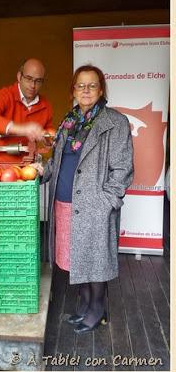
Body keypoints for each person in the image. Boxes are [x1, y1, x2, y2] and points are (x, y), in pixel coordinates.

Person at [35, 64, 134, 334]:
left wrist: (107, 201)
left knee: (95, 261)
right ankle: (84, 307)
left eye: (92, 85)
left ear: (101, 90)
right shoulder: (68, 123)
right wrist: (44, 171)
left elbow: (123, 169)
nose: (86, 90)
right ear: (73, 91)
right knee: (77, 259)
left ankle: (96, 311)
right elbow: (58, 162)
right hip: (65, 204)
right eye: (81, 85)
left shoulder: (115, 122)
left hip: (94, 206)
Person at [0, 58, 53, 163]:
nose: (32, 85)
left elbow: (49, 131)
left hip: (24, 169)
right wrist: (20, 128)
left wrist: (47, 137)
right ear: (19, 76)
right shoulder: (5, 95)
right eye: (28, 78)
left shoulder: (46, 106)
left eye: (38, 81)